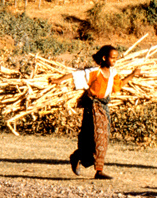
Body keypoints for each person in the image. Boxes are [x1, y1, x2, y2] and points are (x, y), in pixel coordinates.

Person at [51, 45, 140, 180]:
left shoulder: (113, 73)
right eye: (112, 58)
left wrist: (132, 75)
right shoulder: (94, 72)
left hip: (104, 108)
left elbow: (118, 86)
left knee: (102, 138)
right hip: (92, 107)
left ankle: (98, 169)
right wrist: (58, 80)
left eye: (116, 58)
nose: (114, 60)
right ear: (104, 58)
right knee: (93, 137)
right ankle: (79, 157)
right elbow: (74, 74)